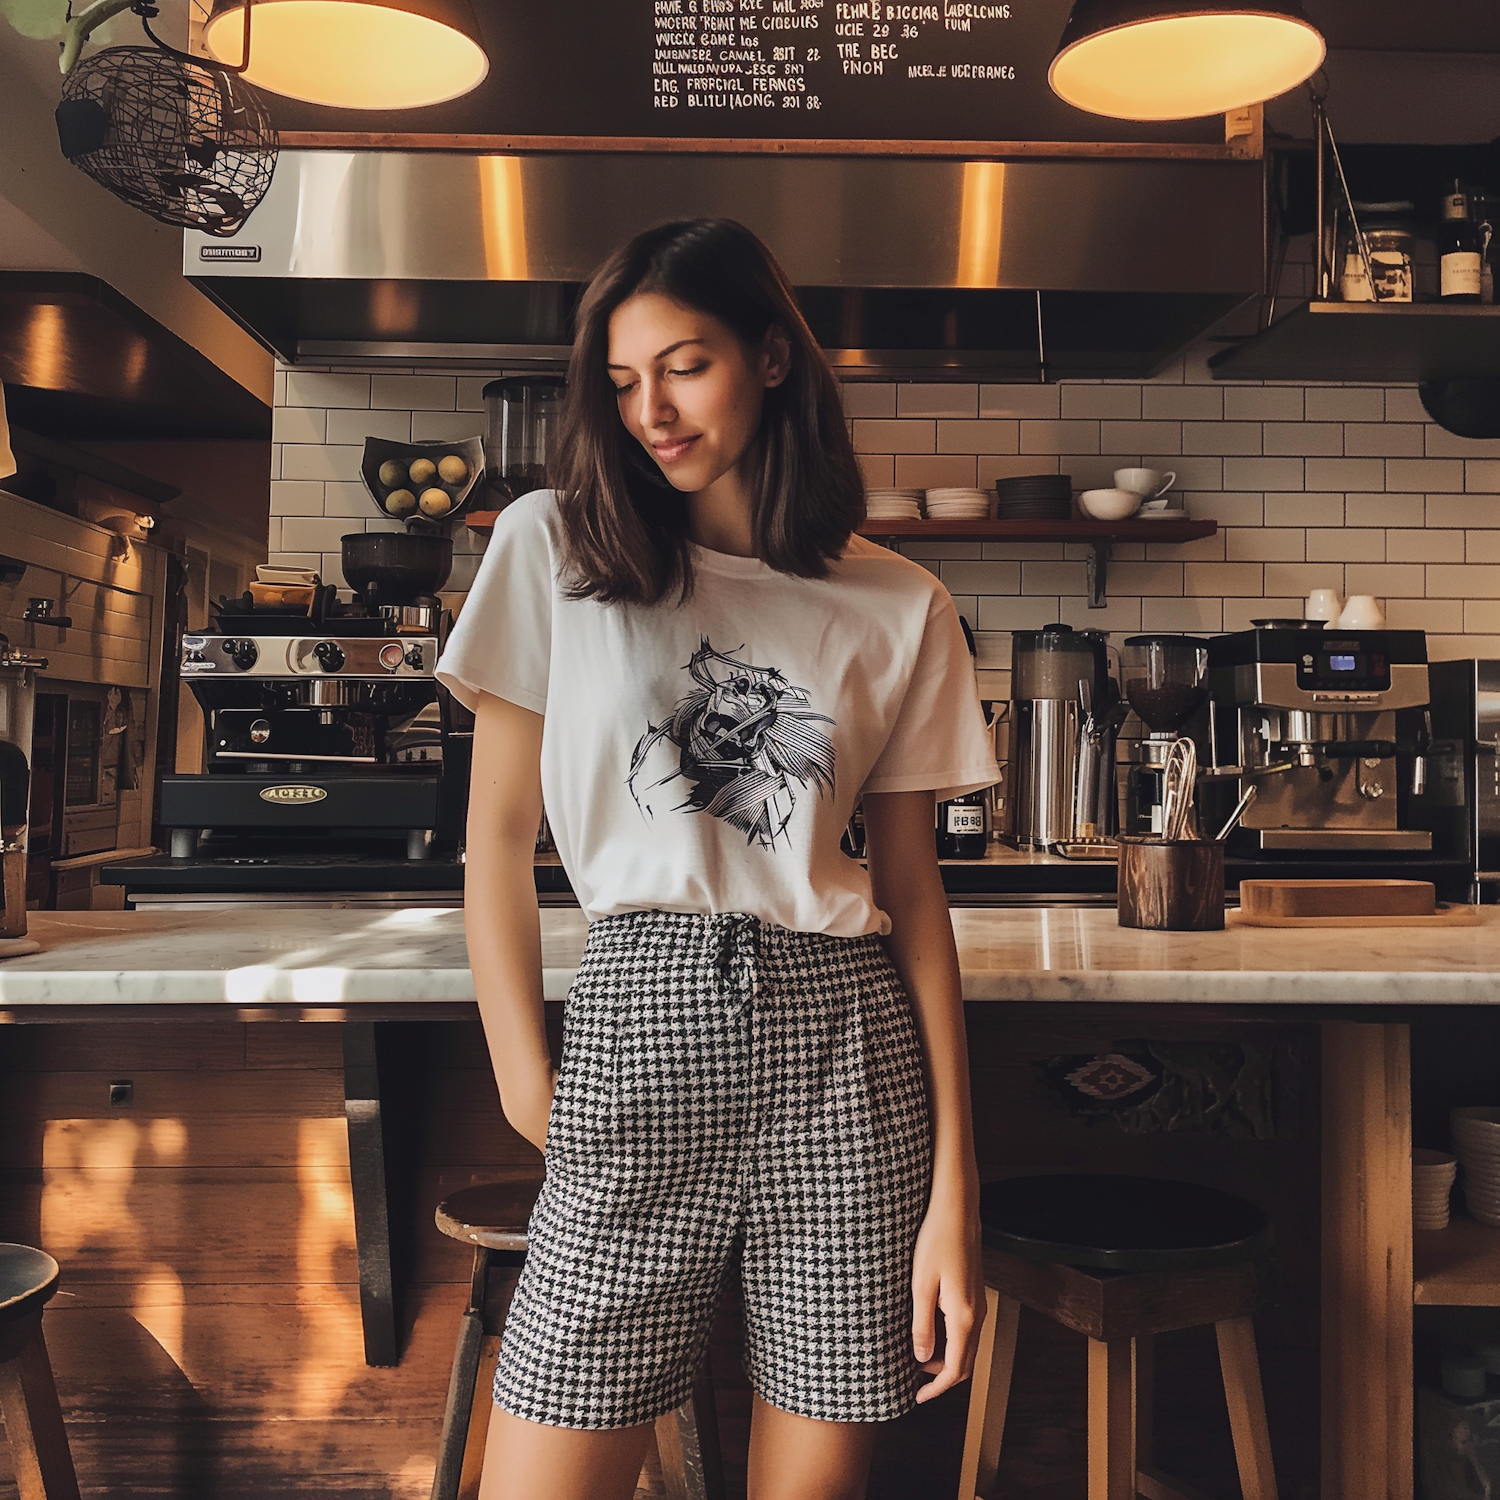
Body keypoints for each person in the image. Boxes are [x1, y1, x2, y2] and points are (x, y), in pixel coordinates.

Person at [436, 217, 999, 1500]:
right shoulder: (552, 546)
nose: (652, 411)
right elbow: (494, 843)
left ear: (773, 358)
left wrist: (953, 1190)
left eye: (684, 366)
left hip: (849, 1061)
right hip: (640, 1026)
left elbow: (913, 892)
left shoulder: (900, 602)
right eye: (625, 383)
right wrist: (532, 1083)